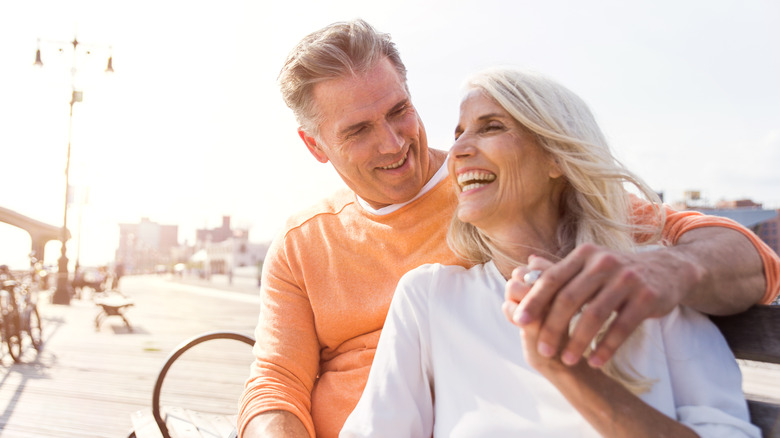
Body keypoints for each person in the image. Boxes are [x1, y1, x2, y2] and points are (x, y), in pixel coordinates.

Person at [239, 19, 779, 438]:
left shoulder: (503, 186)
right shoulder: (313, 247)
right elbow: (275, 383)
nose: (394, 143)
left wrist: (670, 271)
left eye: (399, 110)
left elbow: (729, 253)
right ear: (315, 146)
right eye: (358, 130)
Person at [340, 67, 760, 437]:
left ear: (556, 158)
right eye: (458, 133)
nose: (458, 150)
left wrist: (570, 374)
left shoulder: (650, 287)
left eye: (490, 127)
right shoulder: (429, 298)